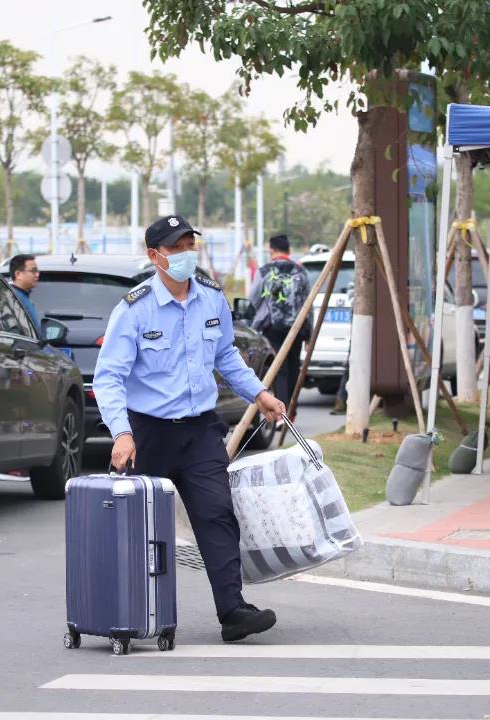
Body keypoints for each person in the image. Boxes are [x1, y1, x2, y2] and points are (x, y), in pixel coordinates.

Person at [94, 215, 287, 642]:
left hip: (200, 430)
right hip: (148, 433)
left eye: (189, 246)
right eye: (175, 248)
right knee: (138, 527)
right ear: (155, 255)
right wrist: (121, 433)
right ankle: (126, 611)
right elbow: (108, 378)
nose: (185, 255)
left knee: (218, 514)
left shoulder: (211, 298)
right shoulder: (134, 309)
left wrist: (259, 394)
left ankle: (233, 611)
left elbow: (226, 355)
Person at [248, 234, 311, 416]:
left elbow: (253, 299)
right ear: (289, 250)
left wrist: (252, 323)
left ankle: (281, 412)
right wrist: (309, 332)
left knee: (279, 368)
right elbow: (308, 303)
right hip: (296, 328)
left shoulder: (264, 271)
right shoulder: (301, 272)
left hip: (271, 328)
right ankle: (291, 410)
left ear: (271, 250)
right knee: (293, 367)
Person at [9, 254, 42, 333]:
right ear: (18, 274)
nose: (37, 274)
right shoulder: (13, 299)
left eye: (37, 271)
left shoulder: (24, 297)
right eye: (33, 271)